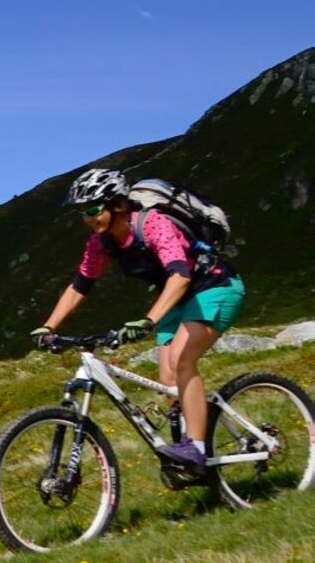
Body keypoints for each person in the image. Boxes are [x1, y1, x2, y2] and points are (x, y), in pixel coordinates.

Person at [30, 168, 245, 471]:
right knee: (168, 381)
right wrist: (48, 326)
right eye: (82, 213)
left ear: (117, 204)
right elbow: (80, 285)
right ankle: (191, 454)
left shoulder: (154, 225)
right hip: (176, 301)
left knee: (184, 360)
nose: (88, 219)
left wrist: (148, 320)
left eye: (93, 209)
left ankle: (196, 448)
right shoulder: (101, 242)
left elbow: (180, 275)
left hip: (215, 288)